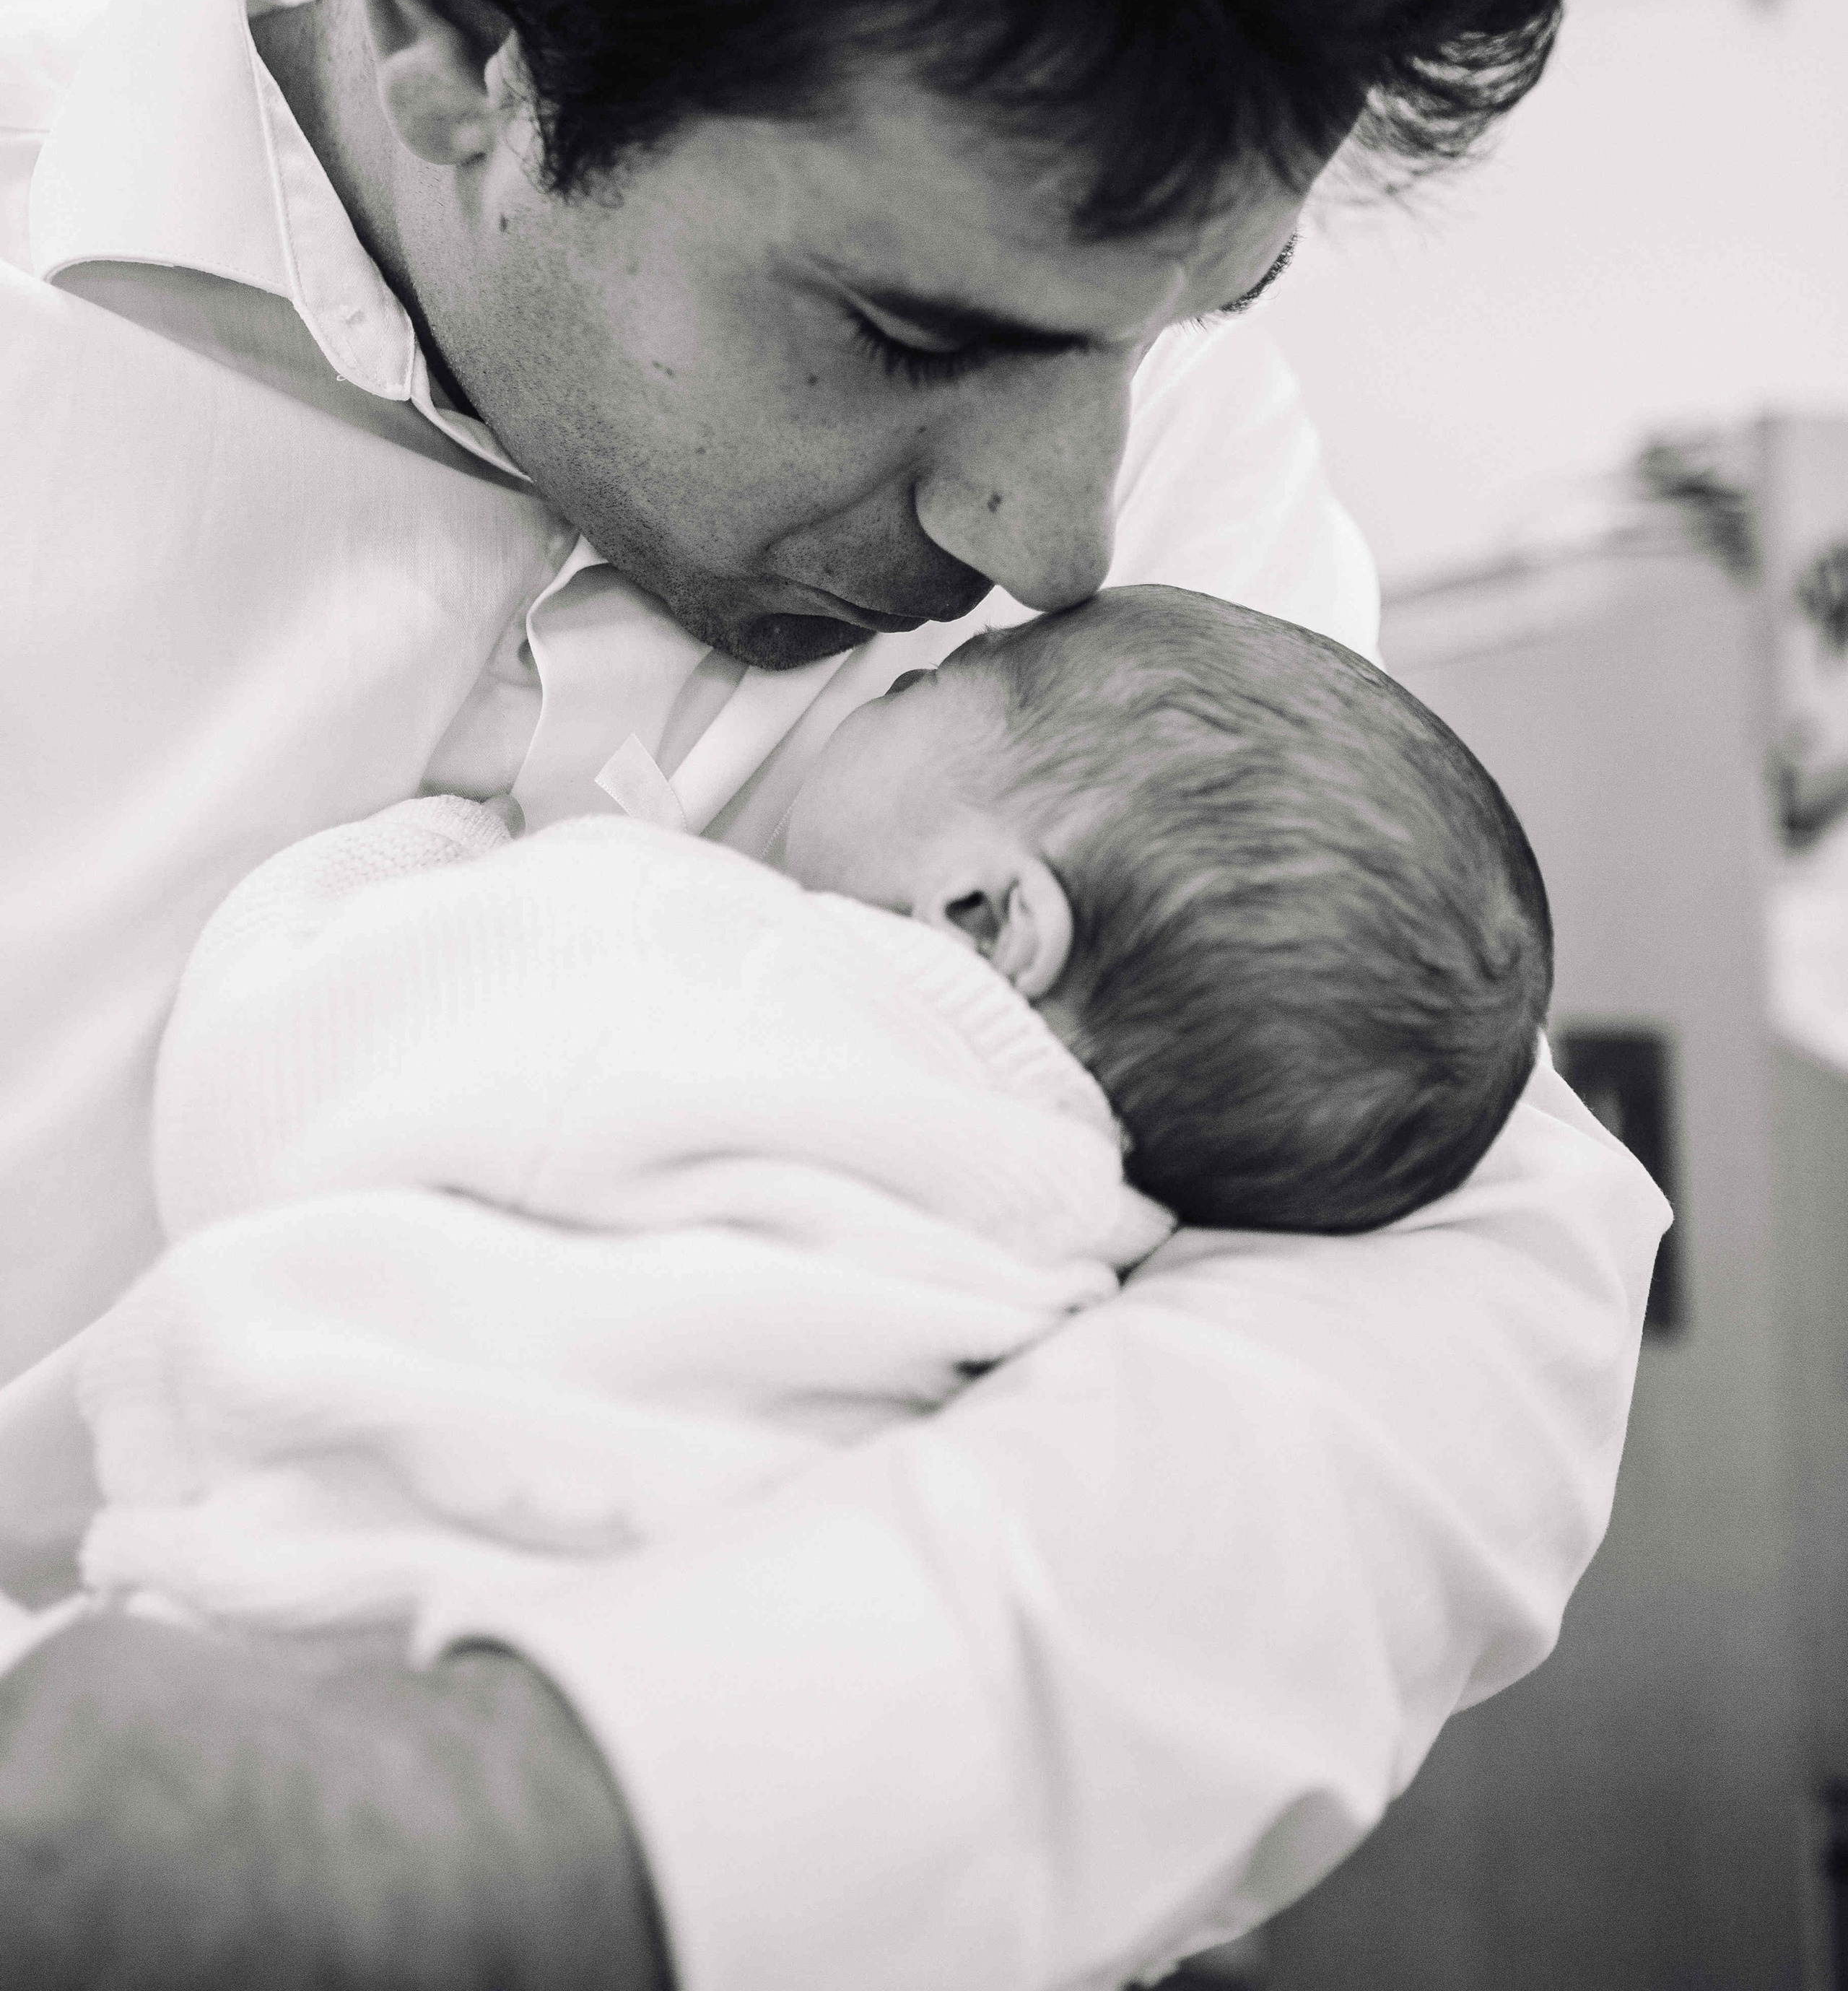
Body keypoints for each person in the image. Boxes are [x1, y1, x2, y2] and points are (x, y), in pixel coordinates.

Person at [0, 0, 1668, 1987]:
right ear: (451, 23)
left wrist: (612, 1811)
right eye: (911, 337)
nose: (1063, 541)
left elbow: (1440, 1312)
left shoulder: (1124, 418)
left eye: (1184, 323)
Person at [71, 585, 1559, 1643]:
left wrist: (430, 852)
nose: (892, 680)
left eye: (934, 687)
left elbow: (256, 1099)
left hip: (309, 1594)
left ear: (986, 917)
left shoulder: (702, 963)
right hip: (674, 1682)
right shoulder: (1078, 1257)